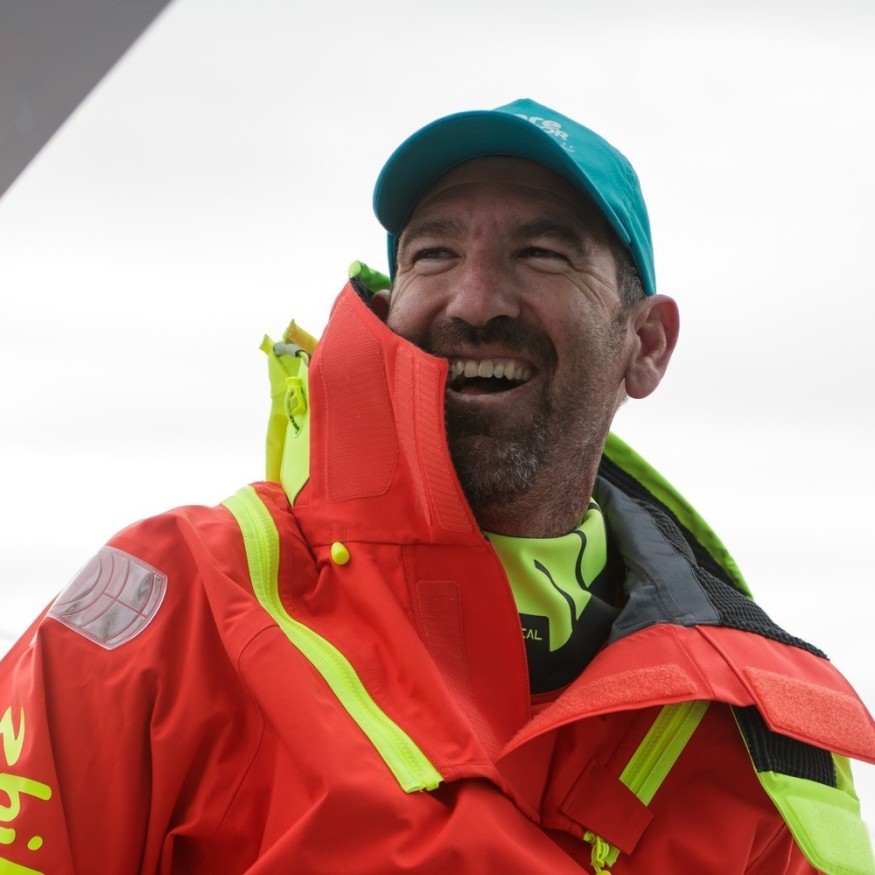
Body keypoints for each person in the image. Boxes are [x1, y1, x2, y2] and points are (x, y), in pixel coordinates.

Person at [1, 98, 873, 874]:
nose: (474, 299)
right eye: (434, 253)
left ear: (644, 345)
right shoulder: (172, 602)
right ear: (388, 307)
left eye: (542, 253)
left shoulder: (763, 738)